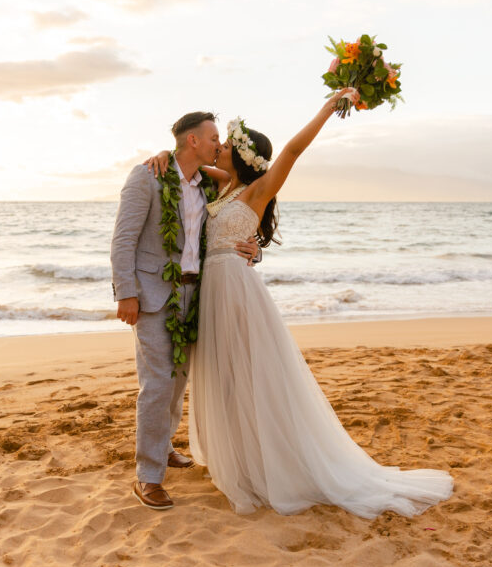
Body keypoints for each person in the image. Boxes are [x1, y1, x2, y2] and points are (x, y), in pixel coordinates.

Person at [144, 89, 453, 518]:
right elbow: (188, 162)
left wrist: (329, 107)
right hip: (211, 291)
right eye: (222, 142)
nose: (222, 146)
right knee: (223, 377)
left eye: (229, 144)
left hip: (235, 292)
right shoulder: (222, 183)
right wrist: (163, 151)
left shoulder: (258, 190)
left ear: (246, 157)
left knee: (252, 377)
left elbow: (292, 149)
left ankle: (271, 463)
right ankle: (241, 454)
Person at [110, 112, 260, 511]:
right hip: (154, 296)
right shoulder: (147, 177)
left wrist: (254, 246)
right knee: (158, 384)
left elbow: (236, 213)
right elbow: (123, 239)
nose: (218, 144)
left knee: (177, 382)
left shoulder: (208, 185)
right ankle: (148, 476)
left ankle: (162, 447)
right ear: (193, 141)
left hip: (197, 296)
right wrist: (126, 294)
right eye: (213, 138)